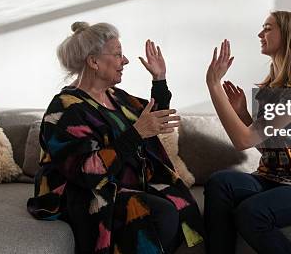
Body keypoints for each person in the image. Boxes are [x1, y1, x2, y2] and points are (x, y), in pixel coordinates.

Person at [27, 22, 204, 254]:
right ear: (93, 62)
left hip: (117, 182)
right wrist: (137, 133)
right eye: (118, 54)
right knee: (159, 212)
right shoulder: (65, 109)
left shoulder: (115, 97)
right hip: (79, 192)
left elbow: (152, 117)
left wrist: (159, 79)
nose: (126, 61)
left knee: (178, 203)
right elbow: (85, 171)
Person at [203, 11, 291, 254]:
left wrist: (214, 86)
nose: (260, 34)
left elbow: (242, 141)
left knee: (251, 212)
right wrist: (243, 114)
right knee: (220, 182)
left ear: (288, 36)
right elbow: (267, 145)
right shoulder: (274, 89)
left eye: (267, 28)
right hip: (272, 179)